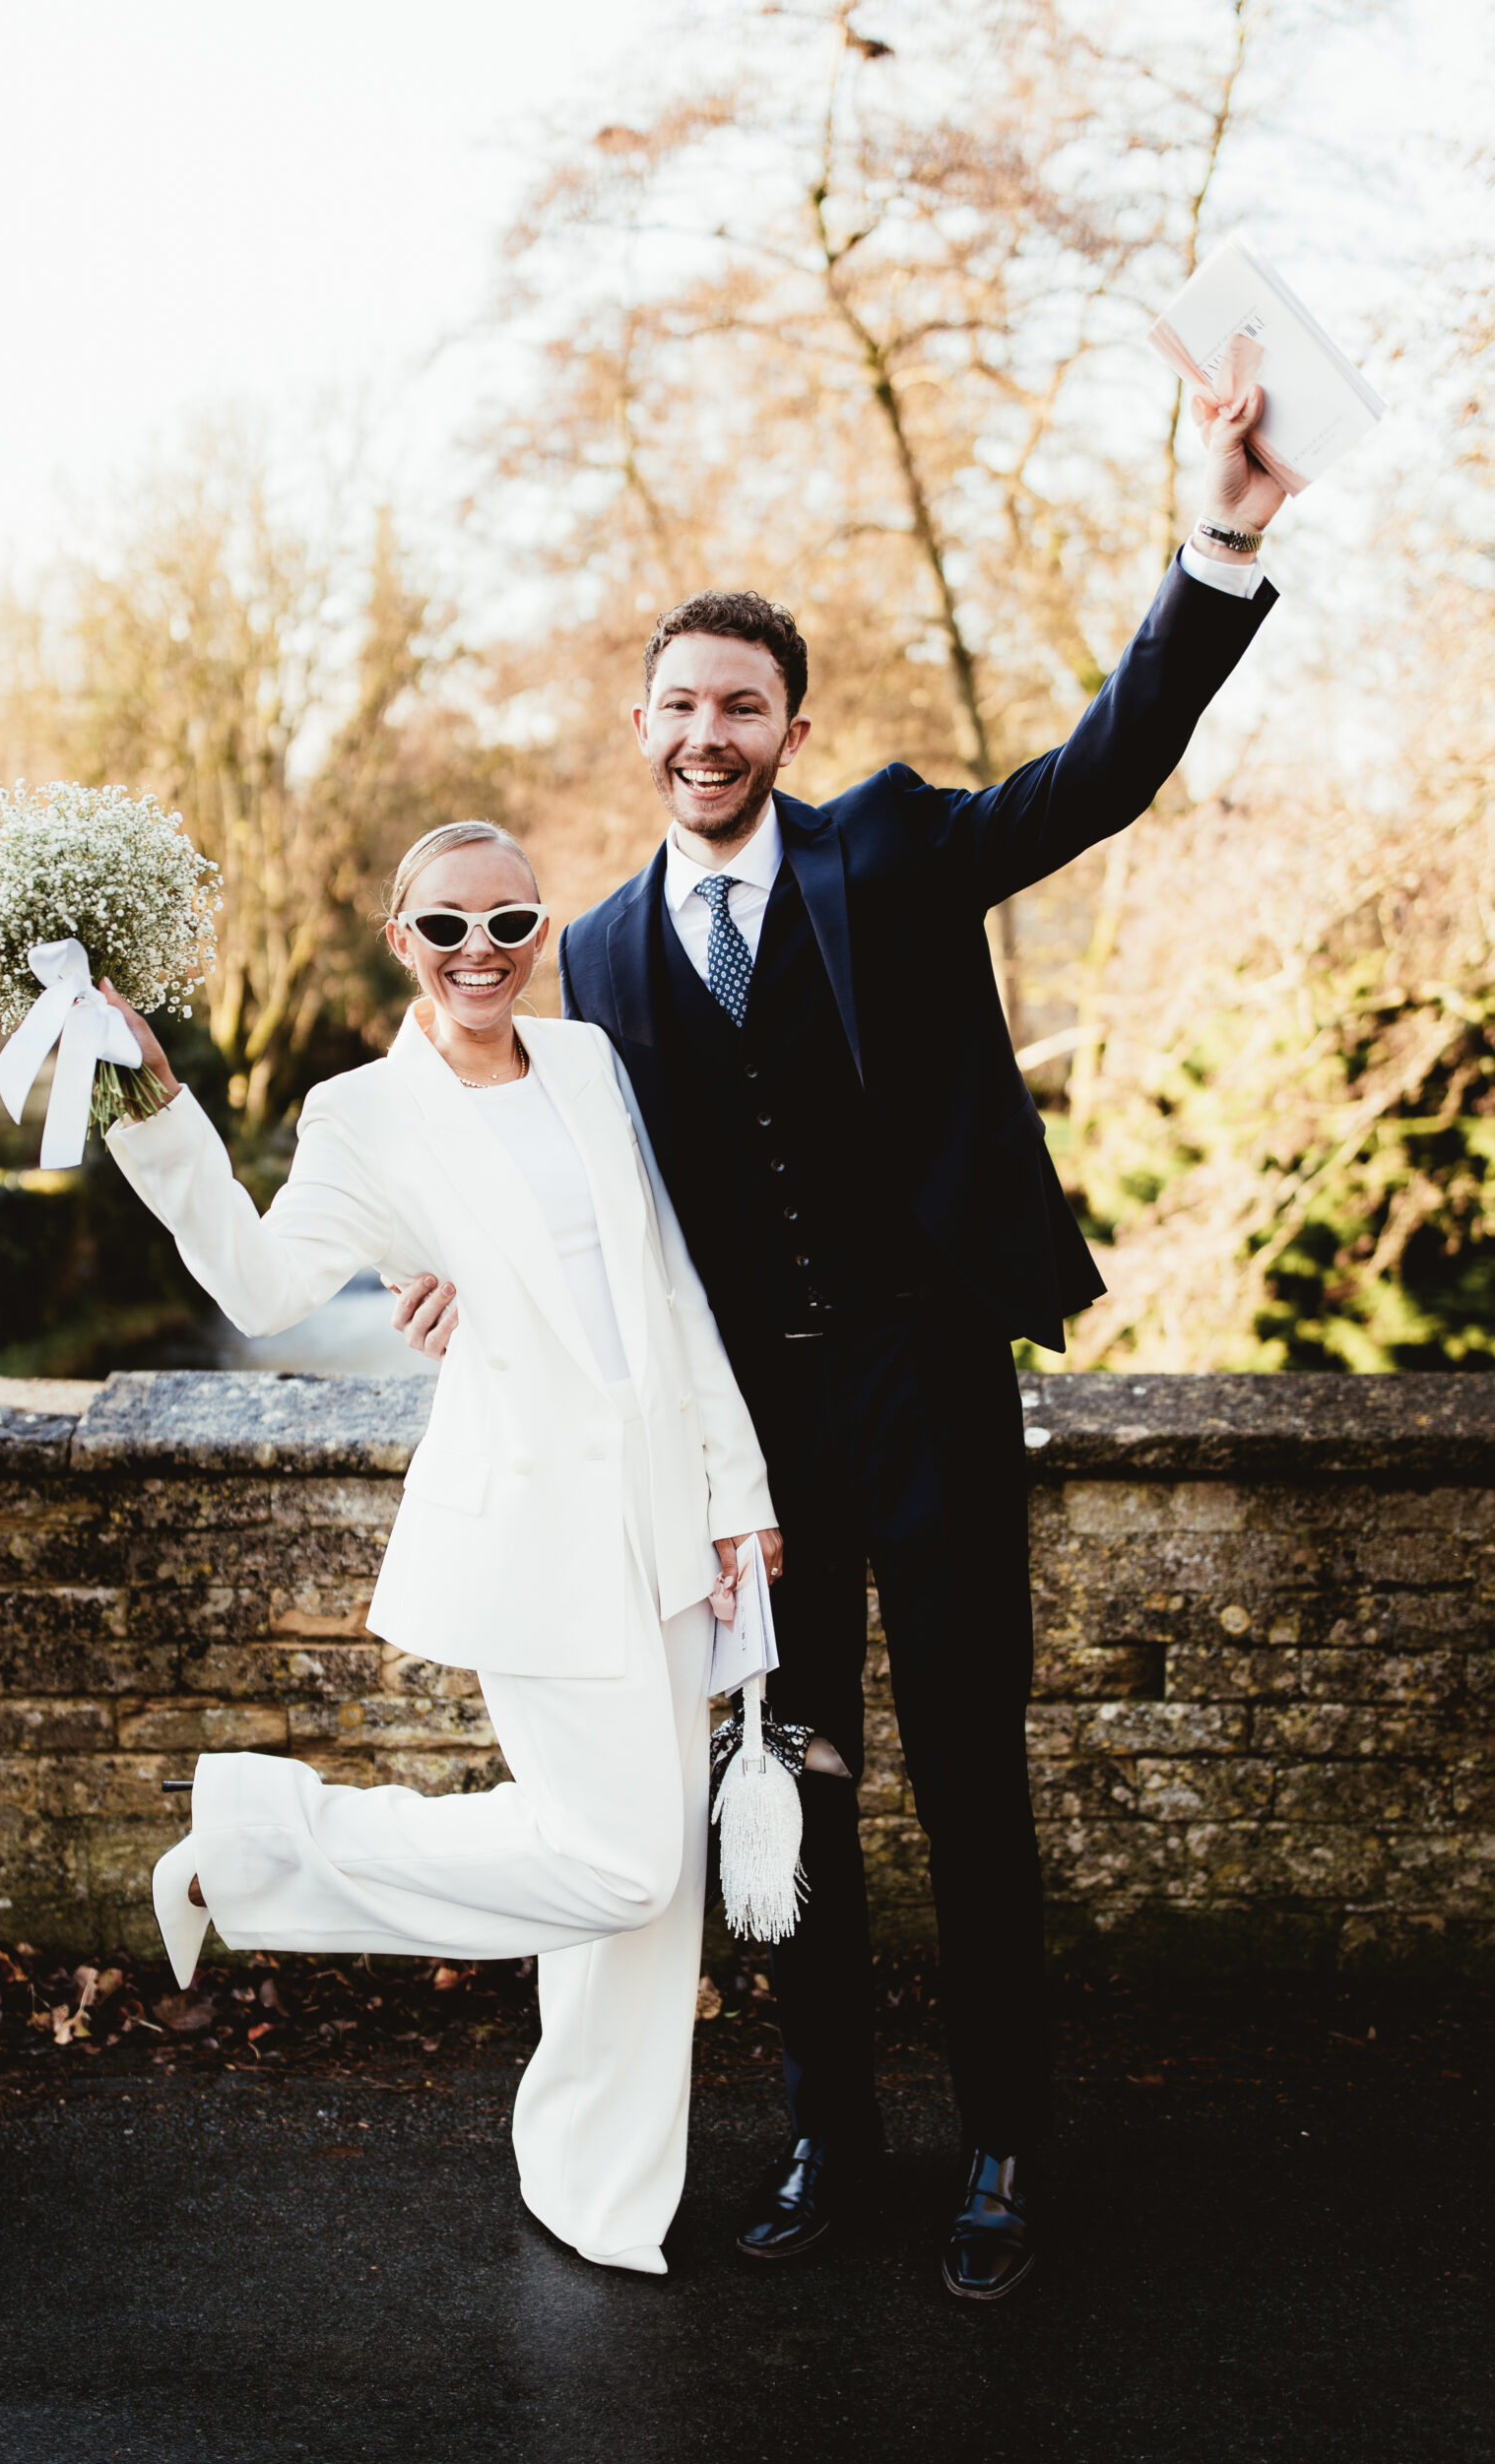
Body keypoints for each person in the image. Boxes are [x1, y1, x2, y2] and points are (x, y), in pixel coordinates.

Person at [394, 386, 1285, 2299]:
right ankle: (826, 2138)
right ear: (637, 729)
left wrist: (1213, 551)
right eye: (678, 703)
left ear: (788, 729)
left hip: (928, 1375)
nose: (705, 731)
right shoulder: (607, 956)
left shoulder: (887, 852)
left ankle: (1002, 2150)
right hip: (755, 1423)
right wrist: (460, 1270)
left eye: (741, 703)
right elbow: (571, 1185)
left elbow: (1098, 770)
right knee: (788, 1778)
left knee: (967, 1773)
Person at [100, 818, 780, 2278]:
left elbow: (664, 1288)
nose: (483, 951)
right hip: (535, 1530)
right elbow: (269, 1285)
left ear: (542, 933)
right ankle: (257, 1847)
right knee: (624, 1867)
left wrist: (736, 1490)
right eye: (449, 927)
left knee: (651, 1923)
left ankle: (600, 2191)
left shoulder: (590, 1066)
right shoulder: (364, 1114)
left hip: (666, 1513)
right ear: (402, 940)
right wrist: (154, 1110)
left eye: (510, 921)